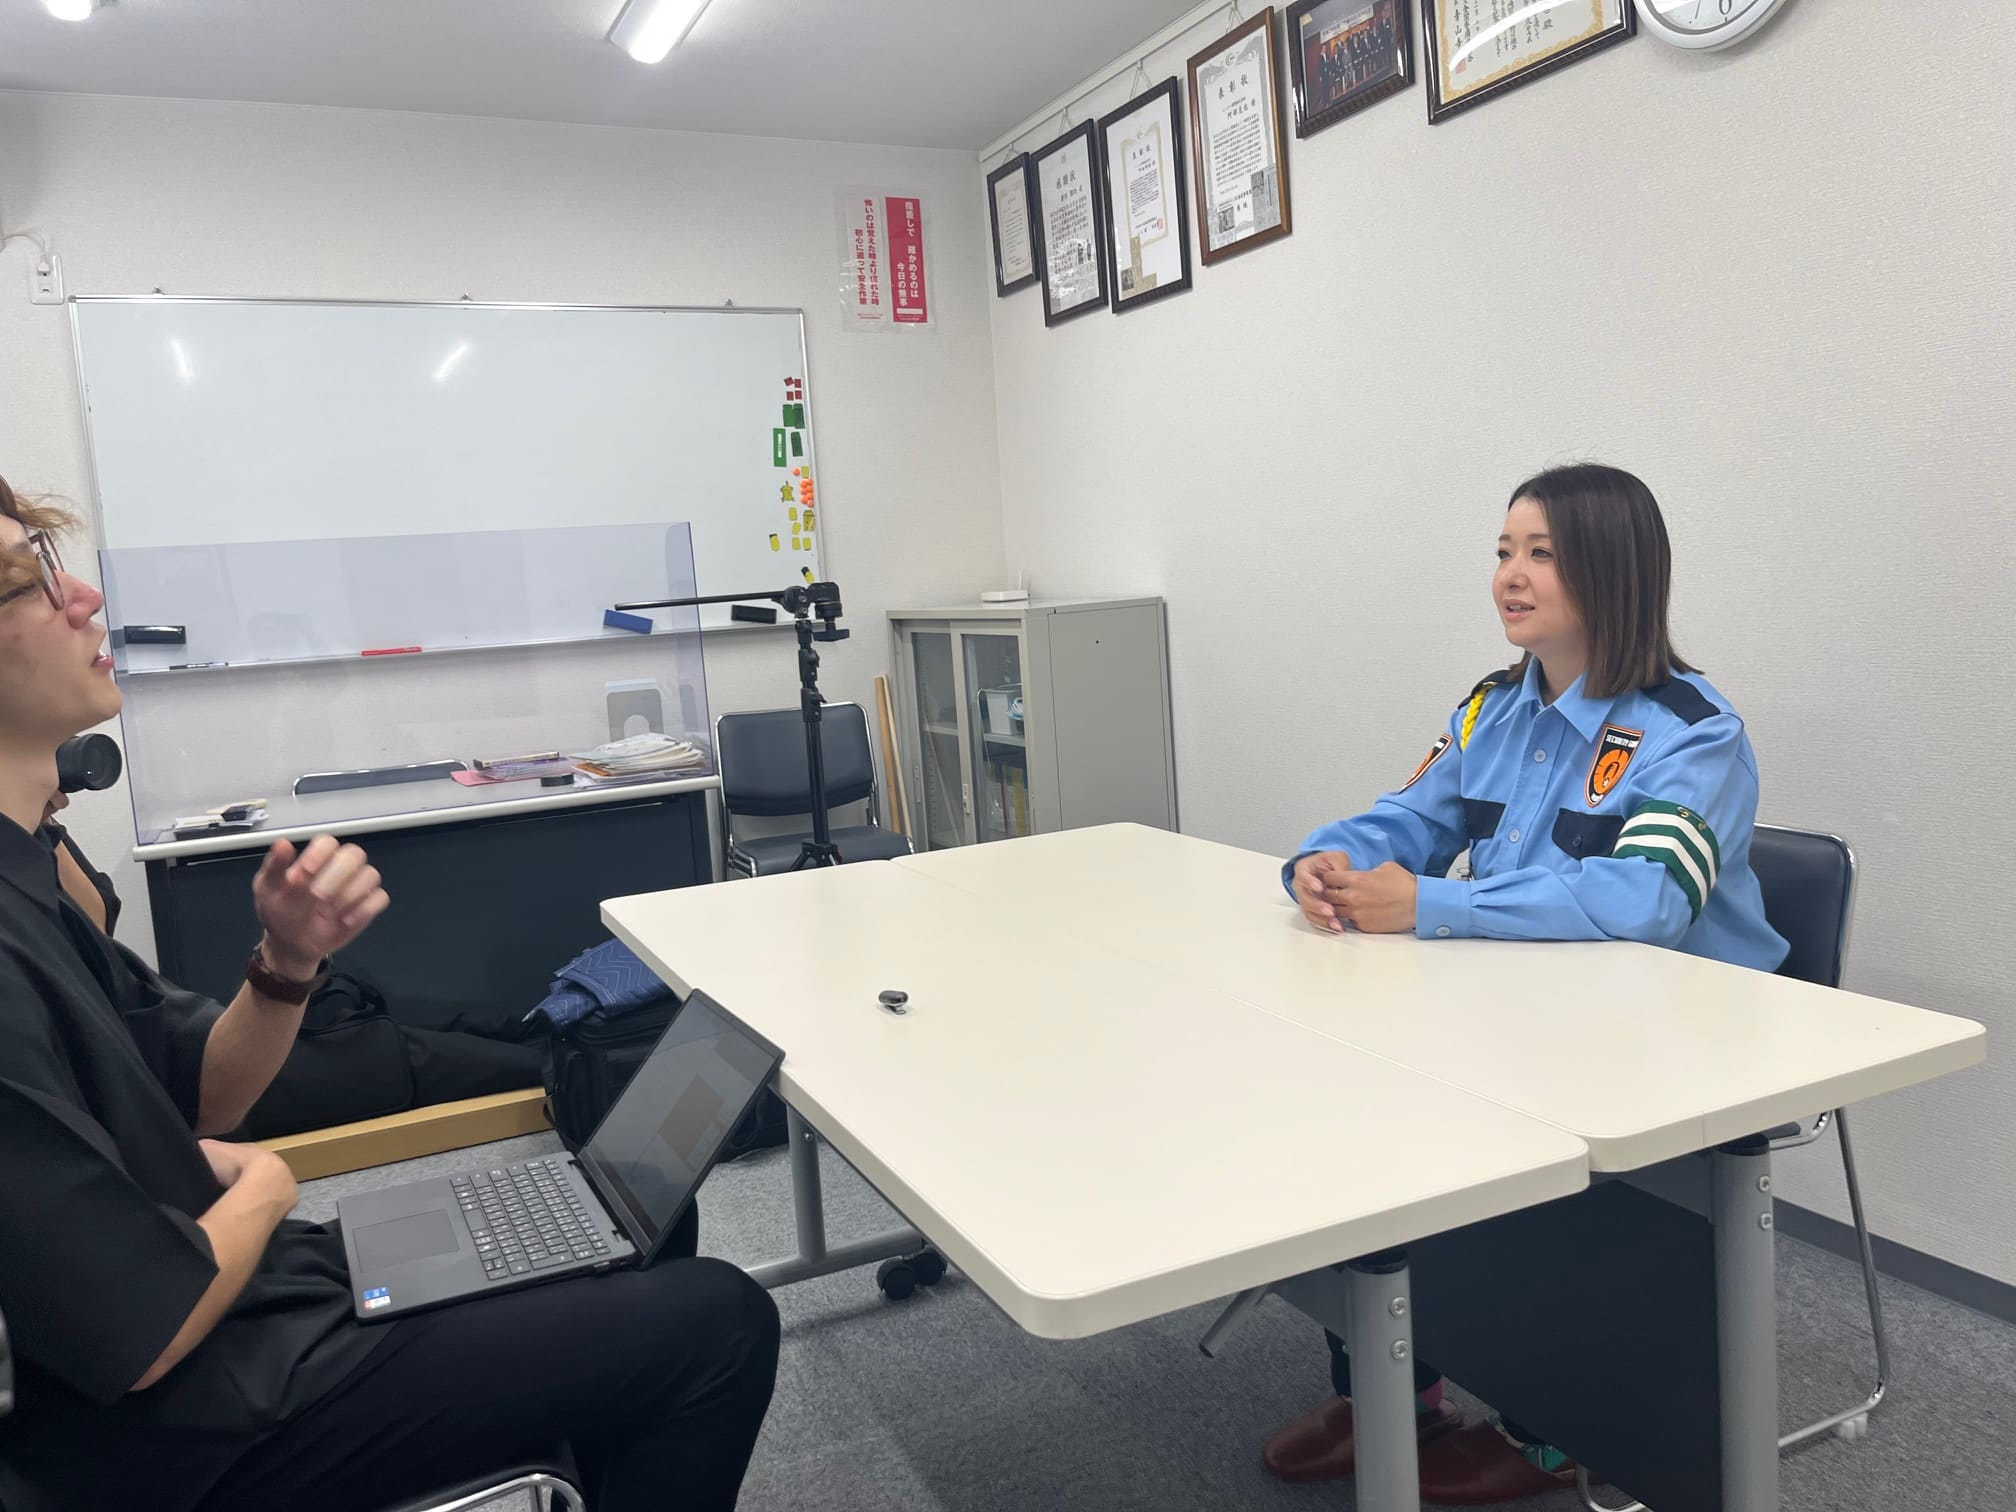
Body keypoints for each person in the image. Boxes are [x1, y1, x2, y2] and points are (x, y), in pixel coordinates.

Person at [0, 476, 781, 1512]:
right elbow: (136, 1333)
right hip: (202, 1415)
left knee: (633, 1229)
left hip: (247, 1301)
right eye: (30, 581)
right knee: (720, 1322)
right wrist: (267, 1185)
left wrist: (286, 963)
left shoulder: (32, 874)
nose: (86, 598)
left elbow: (205, 1099)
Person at [1263, 463, 1787, 1505]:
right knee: (1365, 1108)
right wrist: (1321, 862)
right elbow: (1406, 821)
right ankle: (1393, 1394)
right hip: (1527, 1011)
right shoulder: (1491, 710)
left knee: (1529, 1161)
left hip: (1673, 1041)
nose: (1511, 575)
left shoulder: (1695, 729)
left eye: (1541, 554)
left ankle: (1552, 1434)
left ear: (1612, 569)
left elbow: (1647, 901)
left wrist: (1433, 905)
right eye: (1504, 551)